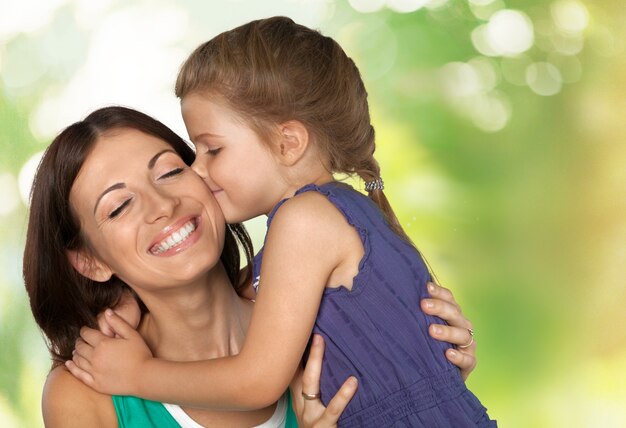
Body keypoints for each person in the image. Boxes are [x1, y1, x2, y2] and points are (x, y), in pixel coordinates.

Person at [67, 17, 495, 426]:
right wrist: (123, 299)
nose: (197, 170)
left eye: (212, 150)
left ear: (288, 143)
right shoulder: (329, 214)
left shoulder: (303, 220)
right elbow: (247, 289)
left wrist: (137, 374)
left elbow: (257, 381)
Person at [25, 106, 363, 427]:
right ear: (90, 262)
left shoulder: (324, 315)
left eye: (170, 172)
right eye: (119, 207)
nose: (163, 205)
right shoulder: (84, 392)